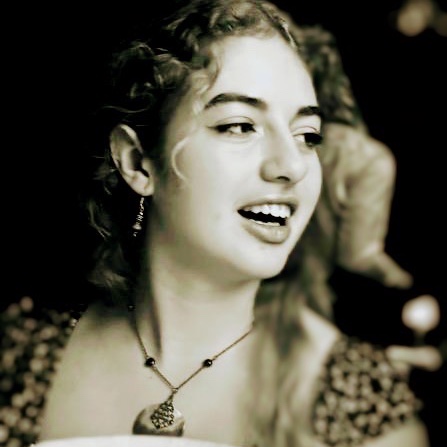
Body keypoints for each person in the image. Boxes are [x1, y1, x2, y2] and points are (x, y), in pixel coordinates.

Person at [0, 1, 435, 447]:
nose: (292, 165)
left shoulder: (358, 398)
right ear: (138, 162)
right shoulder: (21, 353)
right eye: (240, 126)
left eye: (308, 135)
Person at [291, 24, 414, 319]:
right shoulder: (367, 158)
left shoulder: (258, 139)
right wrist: (403, 282)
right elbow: (358, 255)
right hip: (305, 304)